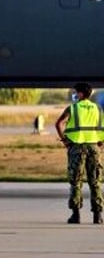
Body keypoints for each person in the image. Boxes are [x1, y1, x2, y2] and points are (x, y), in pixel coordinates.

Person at [55, 83, 103, 224]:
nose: (74, 95)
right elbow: (102, 127)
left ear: (81, 94)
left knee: (76, 181)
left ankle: (76, 215)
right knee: (95, 181)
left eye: (76, 92)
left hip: (77, 147)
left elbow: (59, 124)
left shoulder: (73, 108)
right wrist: (100, 142)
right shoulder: (97, 109)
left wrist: (65, 140)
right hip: (94, 147)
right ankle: (98, 216)